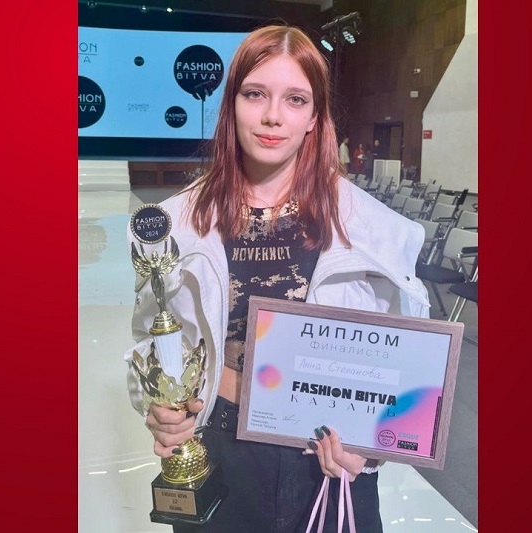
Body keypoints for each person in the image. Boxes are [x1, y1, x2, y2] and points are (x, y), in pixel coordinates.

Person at [124, 25, 430, 533]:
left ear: (314, 117)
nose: (273, 116)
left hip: (327, 455)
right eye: (255, 94)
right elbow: (149, 340)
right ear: (232, 104)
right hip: (220, 445)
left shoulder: (375, 228)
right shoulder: (175, 224)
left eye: (295, 99)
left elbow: (406, 358)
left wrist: (372, 445)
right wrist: (158, 408)